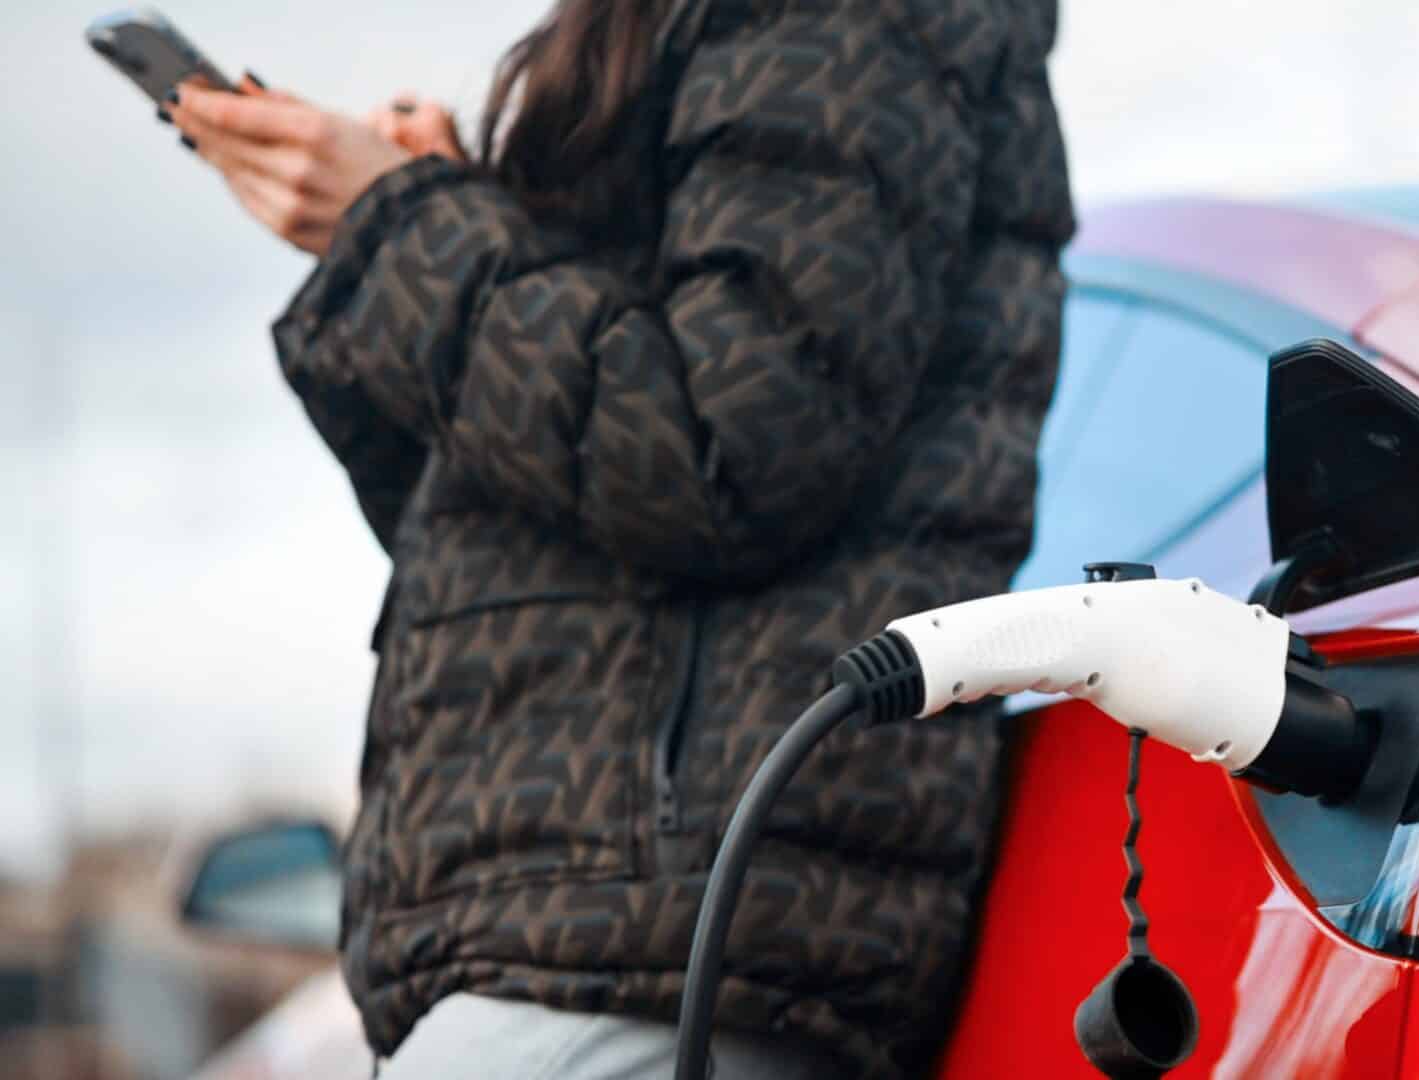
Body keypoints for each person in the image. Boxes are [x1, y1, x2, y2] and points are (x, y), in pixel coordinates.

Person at [167, 0, 1073, 1075]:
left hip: (649, 946)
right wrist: (441, 223)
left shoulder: (837, 19)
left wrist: (402, 229)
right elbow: (523, 530)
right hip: (604, 946)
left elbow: (719, 449)